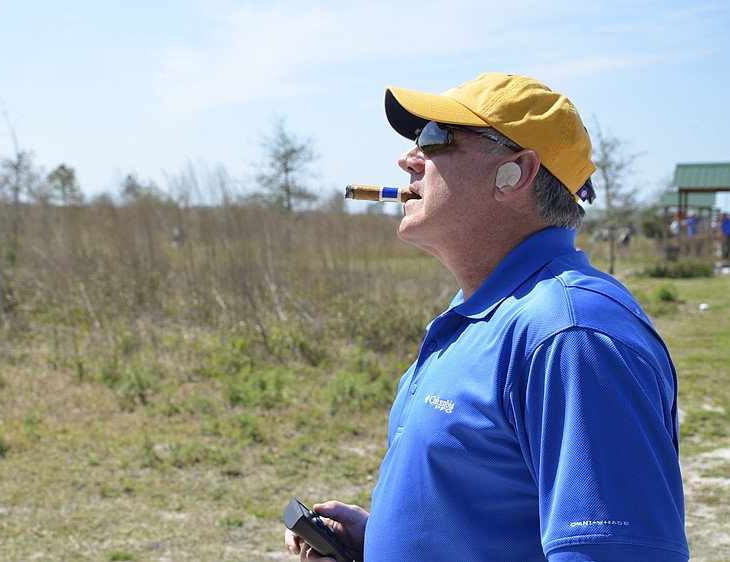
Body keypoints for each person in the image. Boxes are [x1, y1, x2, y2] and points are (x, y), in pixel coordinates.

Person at [285, 73, 689, 561]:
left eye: (435, 137)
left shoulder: (572, 334)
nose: (408, 158)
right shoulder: (487, 311)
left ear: (515, 173)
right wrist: (382, 544)